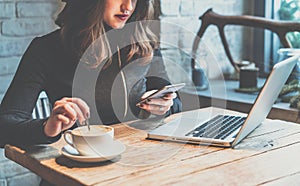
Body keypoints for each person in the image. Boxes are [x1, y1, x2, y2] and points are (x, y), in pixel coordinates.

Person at [0, 0, 182, 148]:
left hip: (139, 161)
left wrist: (165, 106)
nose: (128, 6)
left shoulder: (143, 44)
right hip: (76, 167)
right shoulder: (46, 49)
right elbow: (4, 127)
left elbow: (176, 103)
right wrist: (47, 128)